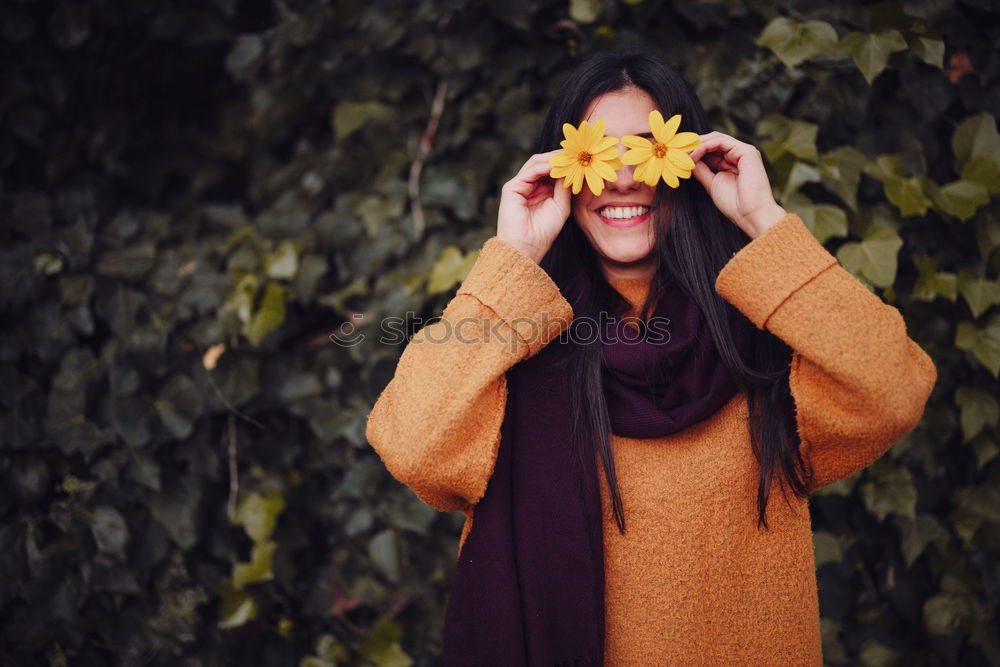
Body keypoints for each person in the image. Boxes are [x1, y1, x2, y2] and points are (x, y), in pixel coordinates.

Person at [364, 49, 937, 666]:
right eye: (597, 155)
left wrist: (763, 221)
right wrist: (513, 256)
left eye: (644, 150)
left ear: (685, 163)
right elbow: (412, 448)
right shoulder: (514, 348)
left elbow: (893, 388)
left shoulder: (764, 335)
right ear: (563, 170)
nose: (622, 177)